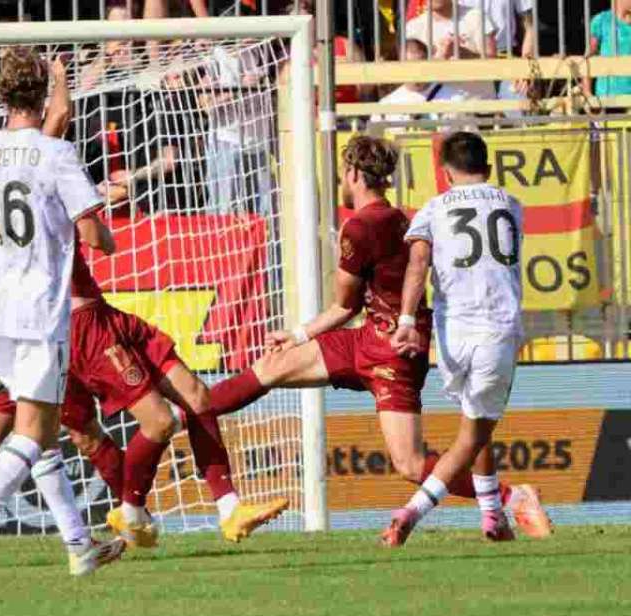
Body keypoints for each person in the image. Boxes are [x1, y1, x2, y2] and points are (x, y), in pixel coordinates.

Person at [202, 134, 552, 541]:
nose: (341, 181)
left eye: (342, 173)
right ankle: (192, 410)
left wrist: (302, 333)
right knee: (273, 366)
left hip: (392, 351)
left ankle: (510, 498)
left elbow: (344, 305)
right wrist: (297, 337)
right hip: (372, 337)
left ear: (352, 173)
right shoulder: (404, 217)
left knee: (412, 463)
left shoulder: (361, 227)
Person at [0, 46, 124, 578]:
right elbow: (91, 233)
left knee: (44, 433)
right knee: (33, 434)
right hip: (41, 313)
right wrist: (106, 238)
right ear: (40, 93)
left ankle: (79, 546)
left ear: (0, 93)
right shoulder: (55, 154)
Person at [384, 131, 533, 545]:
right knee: (472, 434)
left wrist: (406, 319)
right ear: (489, 166)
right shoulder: (511, 204)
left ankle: (493, 518)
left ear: (446, 173)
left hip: (452, 335)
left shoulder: (433, 209)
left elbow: (417, 264)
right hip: (496, 328)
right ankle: (411, 511)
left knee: (475, 421)